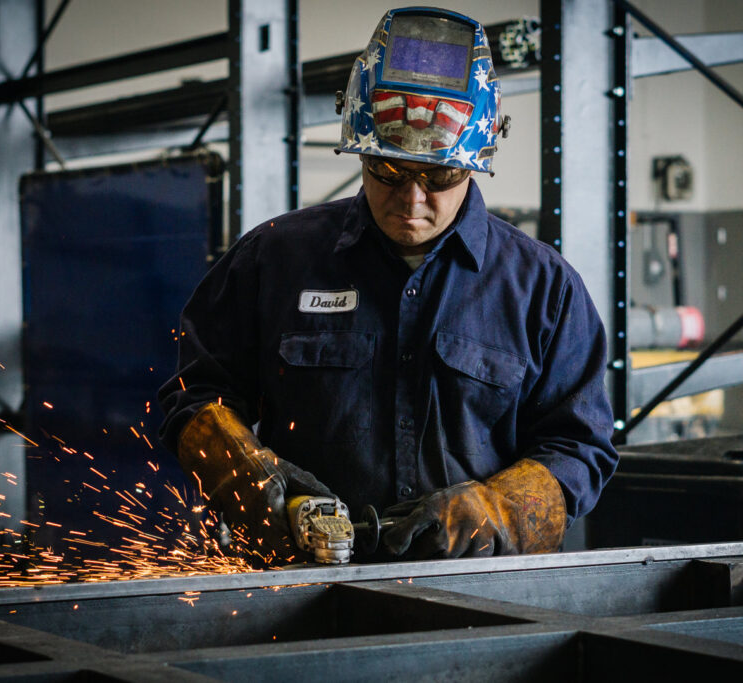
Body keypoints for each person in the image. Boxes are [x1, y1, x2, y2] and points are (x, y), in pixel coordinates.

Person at [158, 7, 617, 566]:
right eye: (388, 171)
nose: (413, 199)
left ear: (479, 155)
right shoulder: (275, 259)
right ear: (361, 144)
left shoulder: (544, 288)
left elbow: (580, 447)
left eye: (440, 176)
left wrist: (496, 509)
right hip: (299, 589)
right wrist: (250, 474)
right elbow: (194, 399)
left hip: (479, 599)